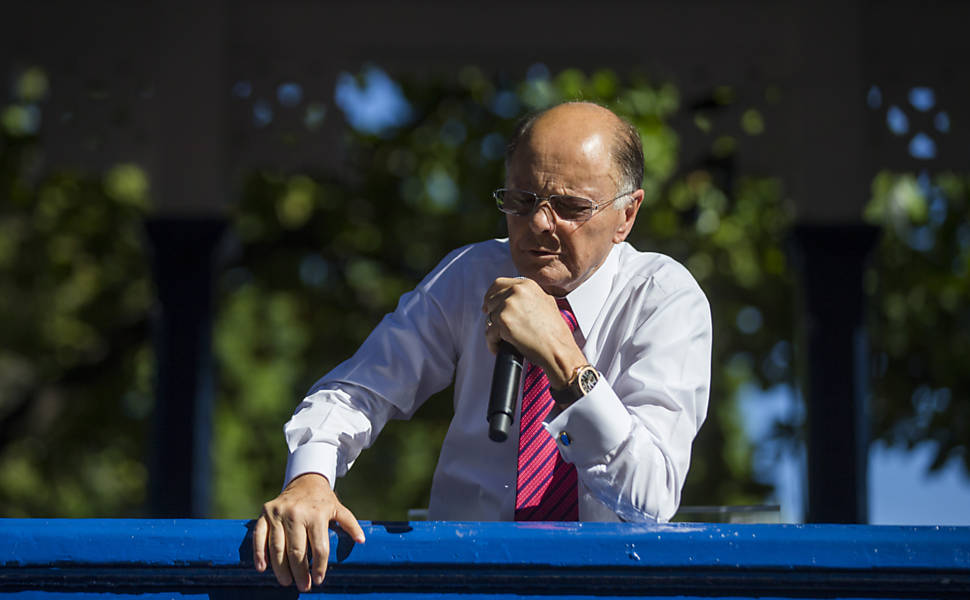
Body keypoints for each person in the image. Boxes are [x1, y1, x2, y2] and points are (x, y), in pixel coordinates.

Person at [252, 101, 712, 591]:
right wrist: (310, 479)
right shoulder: (470, 274)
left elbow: (651, 499)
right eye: (521, 200)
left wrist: (564, 359)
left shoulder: (665, 297)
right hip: (467, 580)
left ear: (627, 214)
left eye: (571, 207)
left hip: (603, 587)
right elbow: (357, 391)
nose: (539, 223)